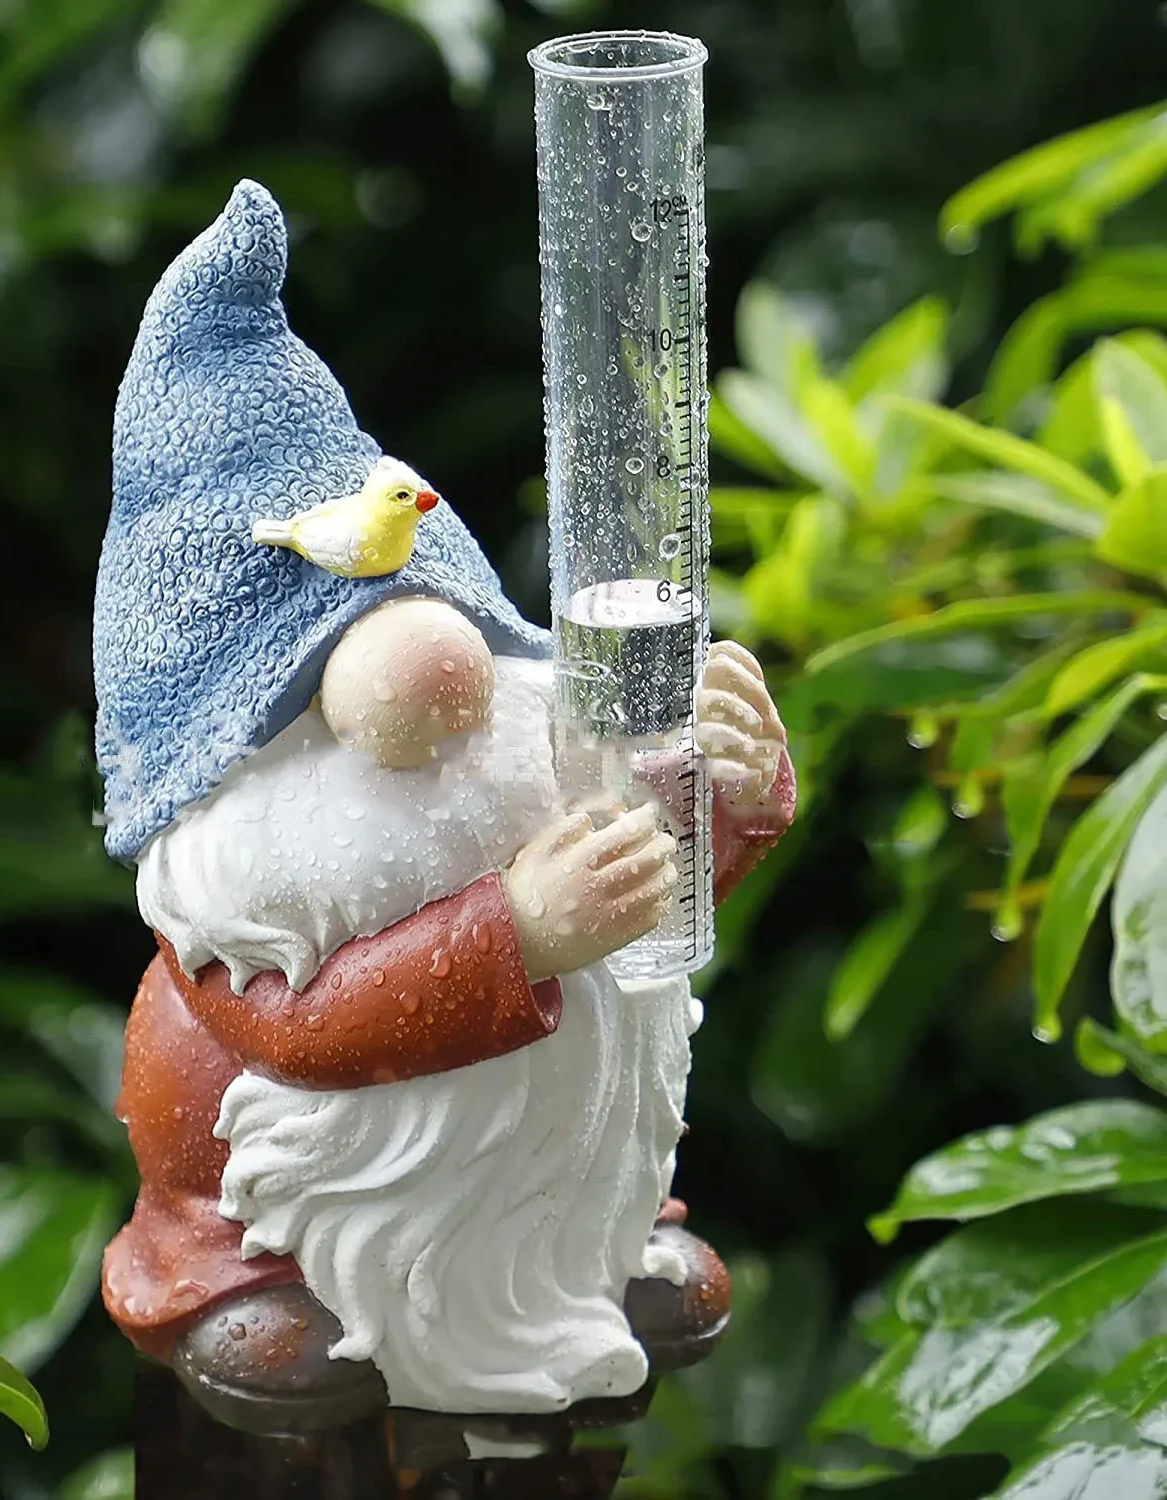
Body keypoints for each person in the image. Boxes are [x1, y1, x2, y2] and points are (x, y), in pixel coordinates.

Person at [94, 181, 795, 1433]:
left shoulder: (528, 724)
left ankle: (582, 1253)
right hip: (291, 1206)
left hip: (541, 1180)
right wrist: (514, 934)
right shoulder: (242, 899)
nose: (442, 701)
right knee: (285, 1351)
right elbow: (313, 1035)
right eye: (318, 691)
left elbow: (645, 898)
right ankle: (261, 1285)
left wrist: (723, 797)